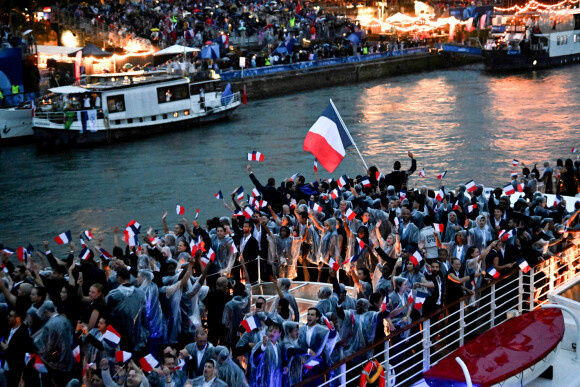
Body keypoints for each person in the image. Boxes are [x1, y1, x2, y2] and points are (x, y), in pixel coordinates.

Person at [34, 301, 75, 385]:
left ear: (46, 312)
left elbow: (46, 348)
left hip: (56, 365)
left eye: (43, 315)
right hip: (69, 361)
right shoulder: (66, 320)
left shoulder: (49, 326)